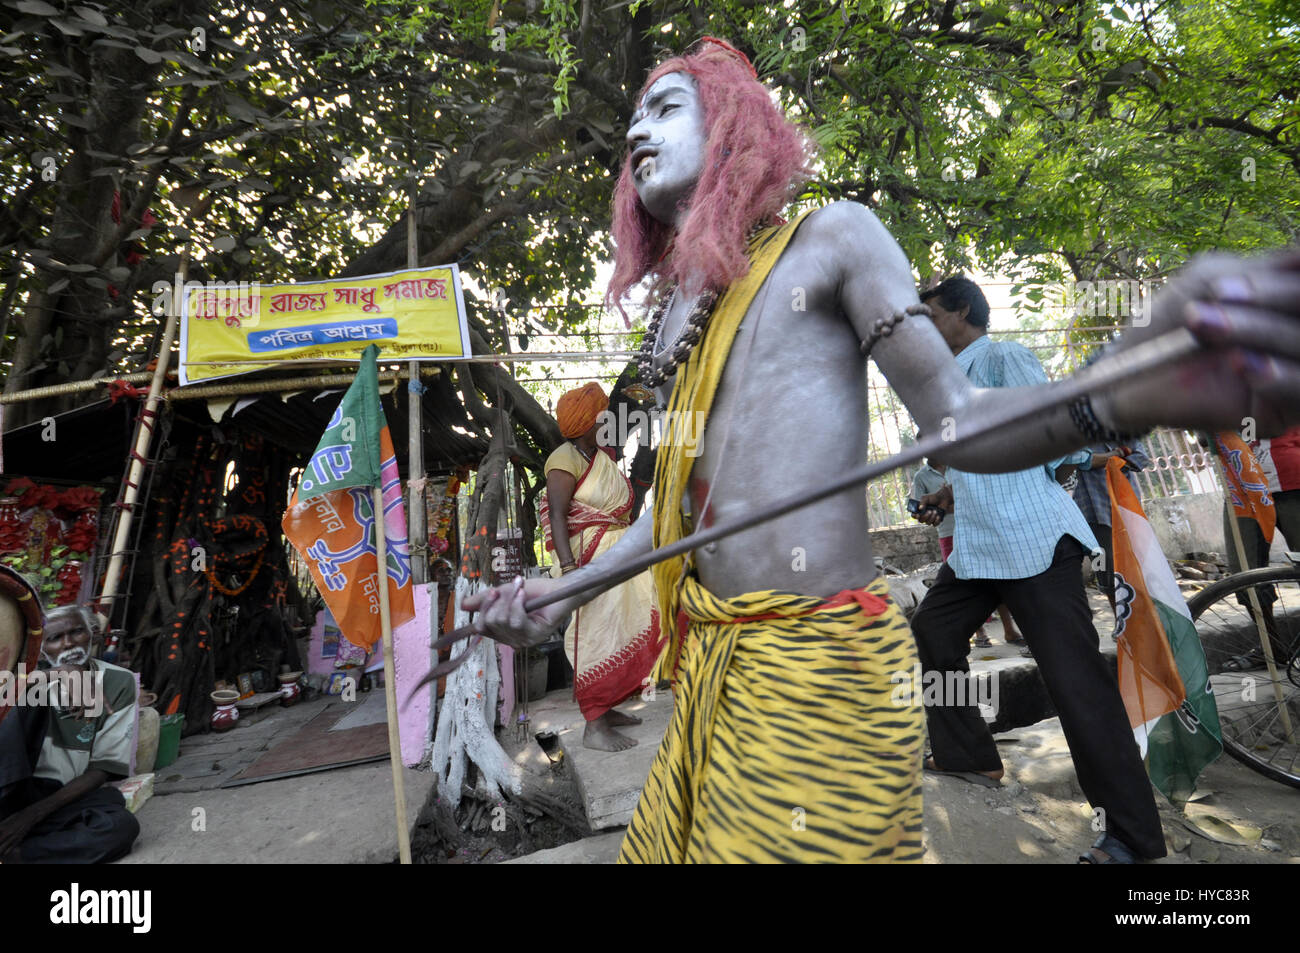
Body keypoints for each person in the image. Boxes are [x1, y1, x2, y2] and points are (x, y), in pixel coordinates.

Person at [462, 37, 1300, 864]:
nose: (637, 132)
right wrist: (563, 591)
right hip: (715, 674)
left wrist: (1121, 387)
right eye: (632, 120)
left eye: (665, 107)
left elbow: (957, 418)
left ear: (731, 130)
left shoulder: (833, 239)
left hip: (817, 676)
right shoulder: (684, 321)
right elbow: (682, 520)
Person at [910, 276, 1167, 864]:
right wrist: (949, 494)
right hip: (979, 547)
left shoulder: (1000, 356)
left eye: (930, 313)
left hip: (1034, 543)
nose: (922, 326)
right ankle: (967, 754)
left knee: (1074, 680)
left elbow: (1054, 434)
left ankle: (1132, 836)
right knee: (934, 631)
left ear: (963, 311)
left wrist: (1080, 454)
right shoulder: (947, 381)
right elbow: (984, 463)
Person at [541, 383, 663, 751]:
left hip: (614, 550)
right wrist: (570, 567)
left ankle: (608, 708)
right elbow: (559, 516)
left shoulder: (599, 454)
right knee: (595, 632)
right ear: (588, 422)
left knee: (622, 626)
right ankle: (594, 724)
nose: (607, 419)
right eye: (602, 415)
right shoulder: (564, 459)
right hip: (587, 559)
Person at [0, 604, 140, 863]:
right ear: (42, 647)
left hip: (55, 798)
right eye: (54, 638)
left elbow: (102, 769)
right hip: (9, 790)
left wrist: (29, 816)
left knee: (120, 824)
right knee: (16, 699)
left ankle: (18, 855)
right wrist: (63, 673)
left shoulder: (119, 682)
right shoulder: (27, 674)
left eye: (77, 632)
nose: (67, 644)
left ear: (94, 634)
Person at [910, 456, 1022, 648]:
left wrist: (946, 504)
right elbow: (917, 506)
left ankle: (1009, 630)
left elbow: (980, 496)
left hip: (980, 528)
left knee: (998, 577)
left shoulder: (961, 462)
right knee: (964, 580)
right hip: (949, 533)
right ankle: (980, 633)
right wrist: (930, 509)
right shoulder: (921, 477)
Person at [1072, 438, 1153, 626]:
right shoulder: (1068, 435)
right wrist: (1119, 453)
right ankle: (1123, 622)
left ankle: (1145, 621)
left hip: (1126, 508)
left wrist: (1106, 458)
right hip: (1091, 514)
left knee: (1140, 565)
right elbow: (1083, 461)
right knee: (1105, 569)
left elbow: (1141, 458)